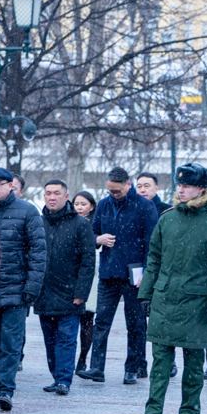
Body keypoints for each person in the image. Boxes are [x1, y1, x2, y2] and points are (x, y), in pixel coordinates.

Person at [135, 163, 207, 414]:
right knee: (160, 363)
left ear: (202, 189)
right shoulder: (167, 219)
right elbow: (154, 258)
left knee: (193, 365)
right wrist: (146, 292)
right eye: (180, 185)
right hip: (166, 299)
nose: (181, 189)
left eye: (188, 185)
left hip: (198, 303)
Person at [78, 167, 160, 385]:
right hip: (108, 272)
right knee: (101, 321)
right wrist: (98, 239)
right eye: (110, 190)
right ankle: (97, 367)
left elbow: (152, 242)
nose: (113, 194)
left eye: (117, 191)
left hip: (134, 274)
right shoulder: (104, 205)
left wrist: (147, 272)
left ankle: (132, 368)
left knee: (135, 323)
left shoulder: (144, 206)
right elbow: (91, 234)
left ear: (127, 185)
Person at [0, 167, 46, 411]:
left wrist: (31, 287)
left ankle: (5, 389)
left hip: (16, 290)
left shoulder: (27, 211)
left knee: (11, 343)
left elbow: (38, 253)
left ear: (11, 186)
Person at [37, 179, 96, 395]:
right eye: (48, 193)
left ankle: (64, 379)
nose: (52, 197)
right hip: (44, 292)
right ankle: (56, 376)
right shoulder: (39, 222)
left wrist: (81, 292)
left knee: (66, 339)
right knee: (50, 340)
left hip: (70, 292)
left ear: (66, 196)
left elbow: (88, 261)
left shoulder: (80, 224)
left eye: (56, 193)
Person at [71, 191, 99, 373]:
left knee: (88, 320)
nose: (80, 207)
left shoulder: (97, 223)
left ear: (92, 206)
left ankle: (83, 358)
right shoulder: (69, 223)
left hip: (93, 275)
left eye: (83, 204)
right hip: (72, 276)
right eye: (76, 204)